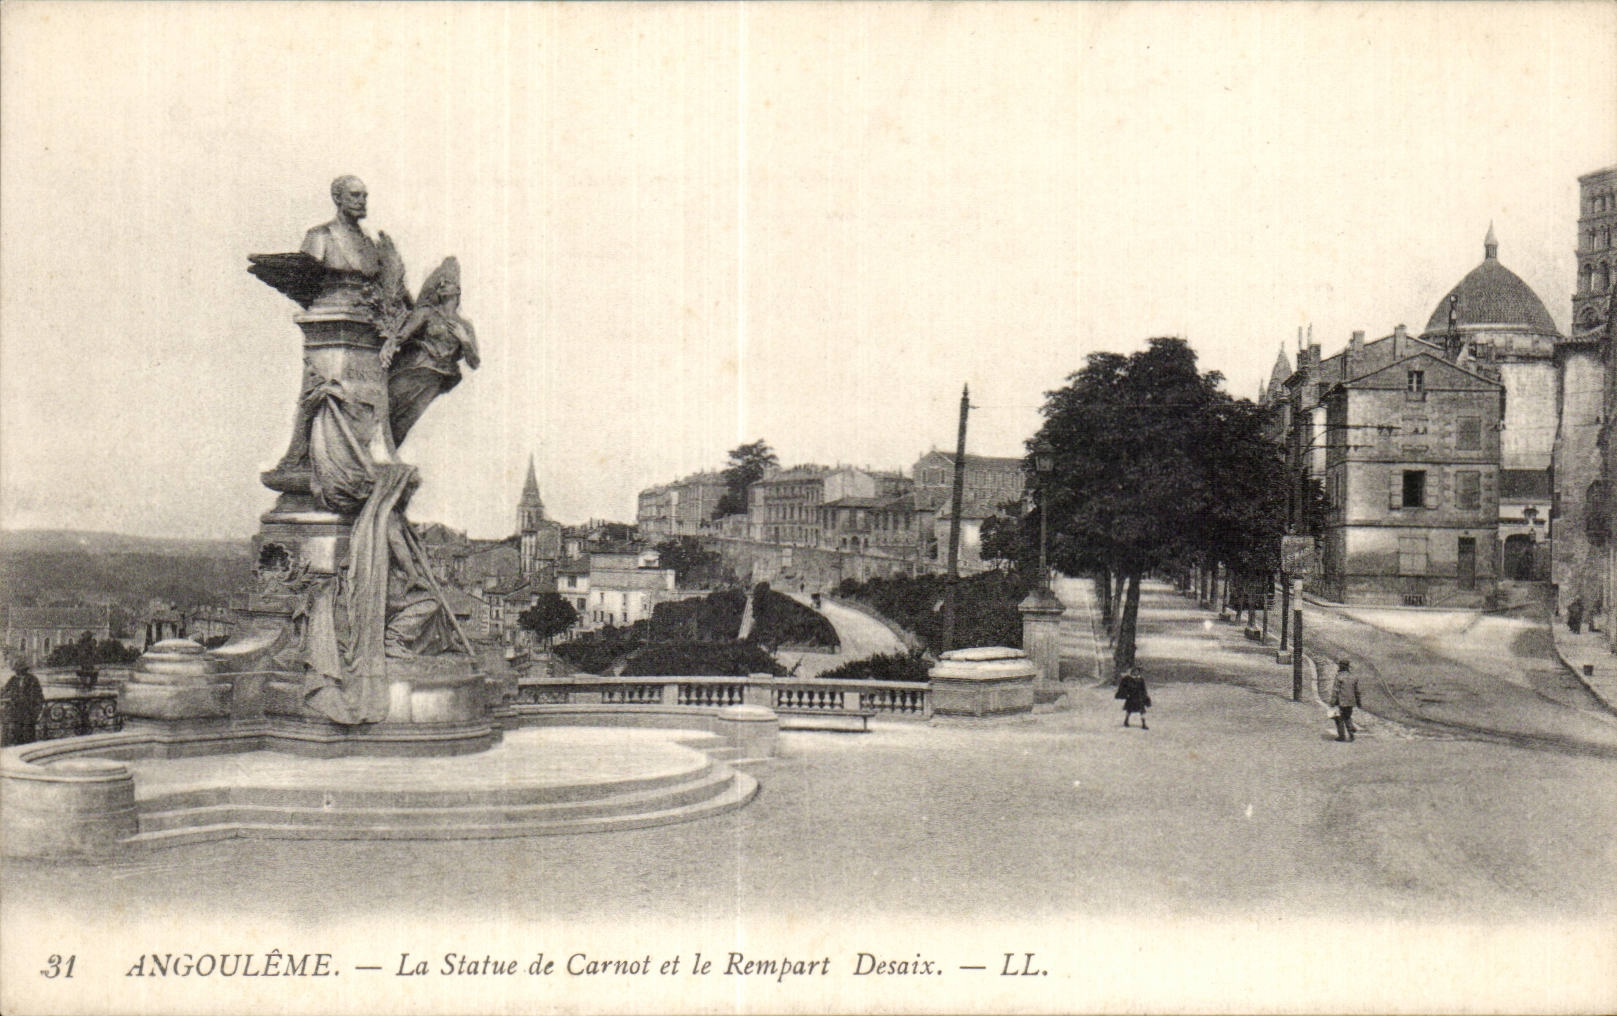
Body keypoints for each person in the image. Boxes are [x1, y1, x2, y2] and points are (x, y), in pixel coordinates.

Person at [379, 257, 480, 447]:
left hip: (435, 379)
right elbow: (403, 334)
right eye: (440, 282)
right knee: (388, 408)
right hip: (412, 370)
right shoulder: (427, 312)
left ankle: (389, 453)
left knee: (404, 422)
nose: (443, 285)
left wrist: (464, 340)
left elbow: (474, 362)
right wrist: (390, 344)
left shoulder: (465, 325)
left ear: (458, 290)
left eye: (448, 282)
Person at [1330, 659, 1360, 742]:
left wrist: (1332, 701)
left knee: (1339, 718)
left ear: (1341, 667)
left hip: (1341, 701)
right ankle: (1351, 734)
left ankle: (1341, 736)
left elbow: (1335, 690)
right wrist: (1358, 702)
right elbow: (1357, 691)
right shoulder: (1353, 677)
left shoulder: (1339, 677)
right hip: (1351, 701)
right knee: (1347, 717)